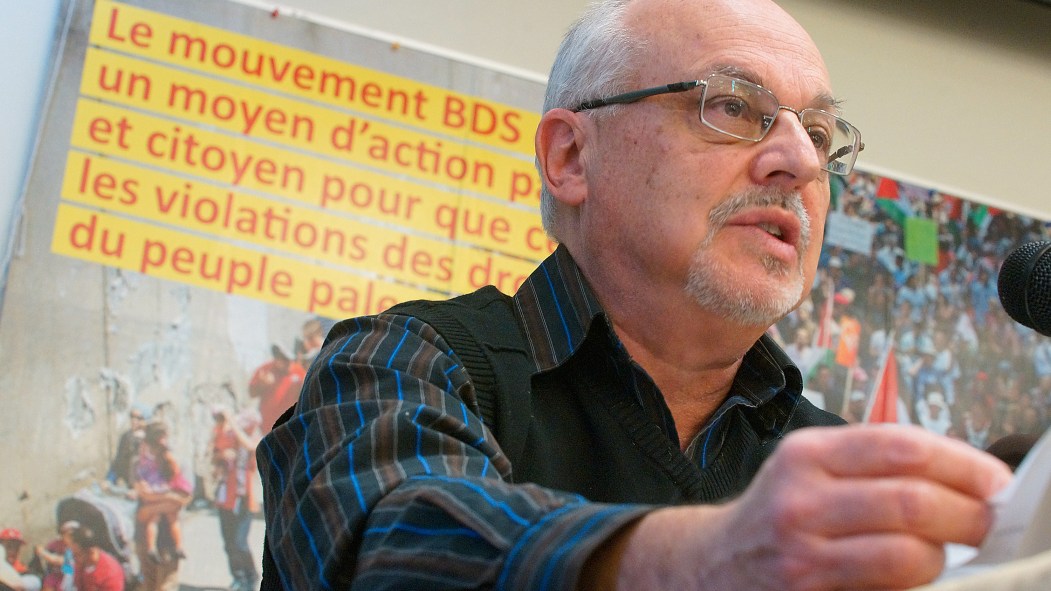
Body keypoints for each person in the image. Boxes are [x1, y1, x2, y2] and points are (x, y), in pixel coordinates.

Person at [257, 0, 1014, 589]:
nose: (799, 161)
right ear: (569, 156)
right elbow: (386, 544)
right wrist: (704, 558)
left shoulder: (828, 464)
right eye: (731, 106)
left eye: (818, 134)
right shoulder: (405, 363)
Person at [212, 407, 262, 591]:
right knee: (229, 543)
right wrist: (221, 455)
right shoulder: (230, 437)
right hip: (226, 496)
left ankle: (251, 576)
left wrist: (231, 422)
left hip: (245, 499)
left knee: (240, 542)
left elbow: (250, 446)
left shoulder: (256, 438)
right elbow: (215, 451)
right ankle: (238, 578)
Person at [131, 421, 191, 564]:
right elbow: (180, 498)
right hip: (161, 503)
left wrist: (153, 502)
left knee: (154, 519)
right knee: (171, 517)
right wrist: (169, 497)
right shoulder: (170, 458)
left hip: (158, 532)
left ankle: (155, 548)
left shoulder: (142, 461)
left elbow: (183, 498)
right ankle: (177, 546)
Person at [248, 344, 305, 434]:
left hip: (289, 427)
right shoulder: (266, 370)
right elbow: (251, 393)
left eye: (288, 359)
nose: (286, 362)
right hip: (267, 427)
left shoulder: (299, 371)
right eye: (281, 358)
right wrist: (262, 385)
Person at [106, 405, 150, 488]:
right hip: (131, 486)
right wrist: (109, 480)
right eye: (132, 417)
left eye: (139, 418)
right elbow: (118, 462)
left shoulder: (151, 439)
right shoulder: (126, 437)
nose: (134, 421)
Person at [33, 521, 78, 591]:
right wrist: (40, 550)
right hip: (54, 574)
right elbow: (45, 551)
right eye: (67, 534)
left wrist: (43, 552)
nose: (71, 537)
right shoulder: (55, 544)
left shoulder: (76, 547)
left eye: (73, 534)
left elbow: (61, 561)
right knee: (48, 584)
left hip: (69, 575)